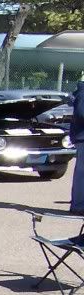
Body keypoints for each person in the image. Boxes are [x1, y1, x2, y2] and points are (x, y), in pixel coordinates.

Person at [70, 80, 84, 214]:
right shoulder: (83, 92)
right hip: (82, 137)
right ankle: (78, 205)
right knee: (81, 174)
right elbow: (81, 113)